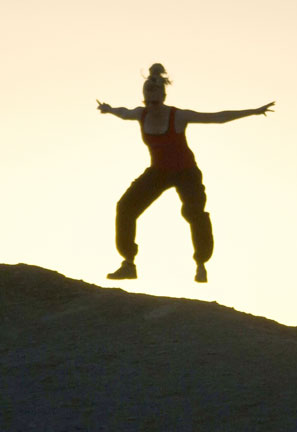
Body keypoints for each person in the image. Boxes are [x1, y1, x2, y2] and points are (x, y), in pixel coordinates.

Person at [96, 64, 273, 284]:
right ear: (144, 100)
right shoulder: (140, 114)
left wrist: (253, 111)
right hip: (159, 171)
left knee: (193, 212)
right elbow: (122, 113)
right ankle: (128, 264)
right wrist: (108, 109)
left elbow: (217, 118)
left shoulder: (178, 116)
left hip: (186, 172)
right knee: (125, 207)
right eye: (148, 102)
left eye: (155, 102)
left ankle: (201, 264)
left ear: (163, 97)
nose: (152, 106)